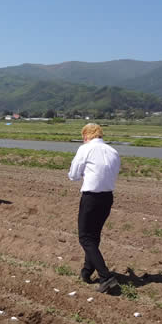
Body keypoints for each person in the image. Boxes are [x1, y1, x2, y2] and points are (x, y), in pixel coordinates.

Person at [68, 123, 121, 293]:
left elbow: (73, 175)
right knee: (94, 236)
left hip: (91, 197)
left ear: (86, 136)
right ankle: (86, 272)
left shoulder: (85, 149)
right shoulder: (113, 151)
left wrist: (84, 174)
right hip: (107, 198)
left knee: (85, 237)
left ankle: (106, 277)